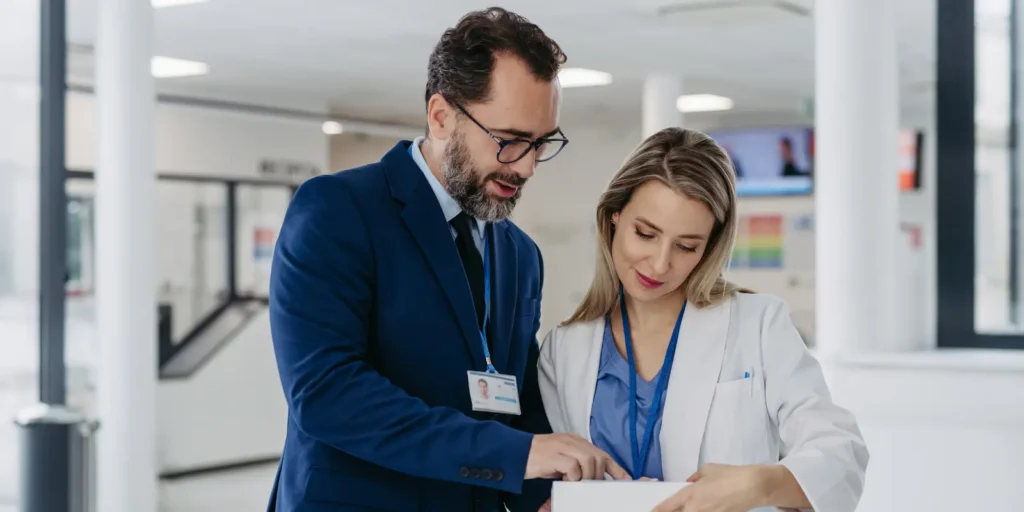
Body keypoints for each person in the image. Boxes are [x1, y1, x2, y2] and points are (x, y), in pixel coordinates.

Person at [266, 7, 627, 512]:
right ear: (441, 116)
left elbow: (517, 397)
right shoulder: (338, 211)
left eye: (541, 143)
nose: (526, 167)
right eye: (509, 141)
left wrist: (547, 494)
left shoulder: (519, 254)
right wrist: (514, 454)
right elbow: (327, 394)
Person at [538, 128, 869, 512]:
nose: (660, 264)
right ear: (614, 216)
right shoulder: (564, 349)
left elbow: (840, 452)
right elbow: (555, 486)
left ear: (710, 246)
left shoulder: (758, 324)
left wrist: (760, 484)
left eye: (686, 246)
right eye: (645, 234)